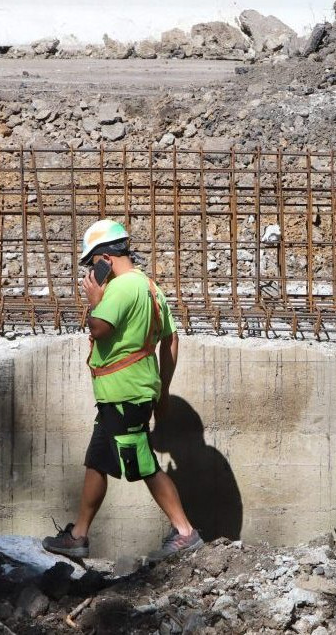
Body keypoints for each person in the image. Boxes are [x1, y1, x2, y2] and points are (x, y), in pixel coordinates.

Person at [42, 219, 203, 559]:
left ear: (104, 259)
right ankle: (79, 535)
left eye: (92, 264)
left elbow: (99, 327)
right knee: (97, 461)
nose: (91, 273)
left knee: (141, 463)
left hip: (125, 393)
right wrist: (163, 390)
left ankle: (185, 531)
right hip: (127, 394)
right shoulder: (150, 288)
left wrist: (95, 298)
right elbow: (171, 339)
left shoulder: (119, 288)